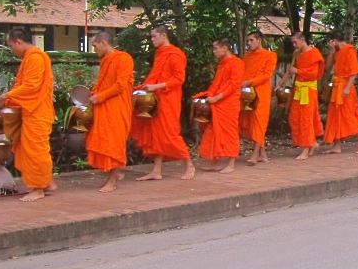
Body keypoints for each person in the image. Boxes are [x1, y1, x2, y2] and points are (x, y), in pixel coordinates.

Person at [0, 28, 55, 202]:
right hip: (30, 110)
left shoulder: (35, 57)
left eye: (10, 45)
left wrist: (6, 96)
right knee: (29, 148)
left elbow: (31, 87)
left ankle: (38, 188)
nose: (11, 49)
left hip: (37, 111)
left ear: (18, 41)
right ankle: (46, 181)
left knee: (35, 150)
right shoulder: (30, 57)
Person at [132, 25, 197, 181]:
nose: (152, 40)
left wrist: (157, 86)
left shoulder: (176, 54)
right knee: (156, 134)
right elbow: (155, 76)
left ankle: (189, 164)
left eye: (154, 36)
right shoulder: (159, 54)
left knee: (169, 133)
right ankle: (157, 170)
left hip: (169, 98)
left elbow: (178, 79)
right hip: (155, 98)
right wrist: (145, 87)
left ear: (163, 35)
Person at [85, 32, 134, 193]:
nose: (94, 49)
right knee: (104, 141)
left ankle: (112, 180)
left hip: (117, 107)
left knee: (114, 143)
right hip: (105, 106)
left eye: (95, 46)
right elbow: (103, 83)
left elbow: (120, 85)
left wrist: (100, 96)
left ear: (104, 43)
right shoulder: (105, 60)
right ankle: (115, 174)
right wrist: (95, 95)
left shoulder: (123, 59)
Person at [193, 38, 244, 174]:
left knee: (229, 132)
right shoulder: (222, 63)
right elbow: (217, 83)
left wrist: (217, 97)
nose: (213, 51)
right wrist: (208, 95)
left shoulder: (237, 63)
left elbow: (234, 85)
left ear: (224, 49)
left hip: (229, 103)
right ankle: (216, 162)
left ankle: (231, 163)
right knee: (215, 131)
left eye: (215, 48)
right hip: (218, 102)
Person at [322, 31, 358, 154]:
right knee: (335, 115)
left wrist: (347, 87)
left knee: (350, 114)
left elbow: (354, 71)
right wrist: (331, 51)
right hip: (337, 87)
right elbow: (328, 66)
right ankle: (337, 145)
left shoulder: (349, 50)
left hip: (346, 87)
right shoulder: (337, 52)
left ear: (334, 41)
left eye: (331, 42)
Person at [240, 31, 278, 165]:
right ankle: (263, 154)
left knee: (259, 123)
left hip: (261, 92)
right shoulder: (247, 56)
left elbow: (267, 75)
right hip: (247, 93)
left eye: (251, 40)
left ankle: (255, 155)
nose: (249, 43)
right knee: (250, 123)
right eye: (248, 41)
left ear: (259, 40)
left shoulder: (270, 56)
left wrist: (250, 82)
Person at [286, 32, 325, 160]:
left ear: (303, 40)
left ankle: (307, 147)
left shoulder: (314, 53)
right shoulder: (298, 54)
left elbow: (313, 74)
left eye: (295, 42)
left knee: (306, 118)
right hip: (299, 89)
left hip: (308, 90)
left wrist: (297, 71)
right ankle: (311, 143)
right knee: (294, 117)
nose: (294, 45)